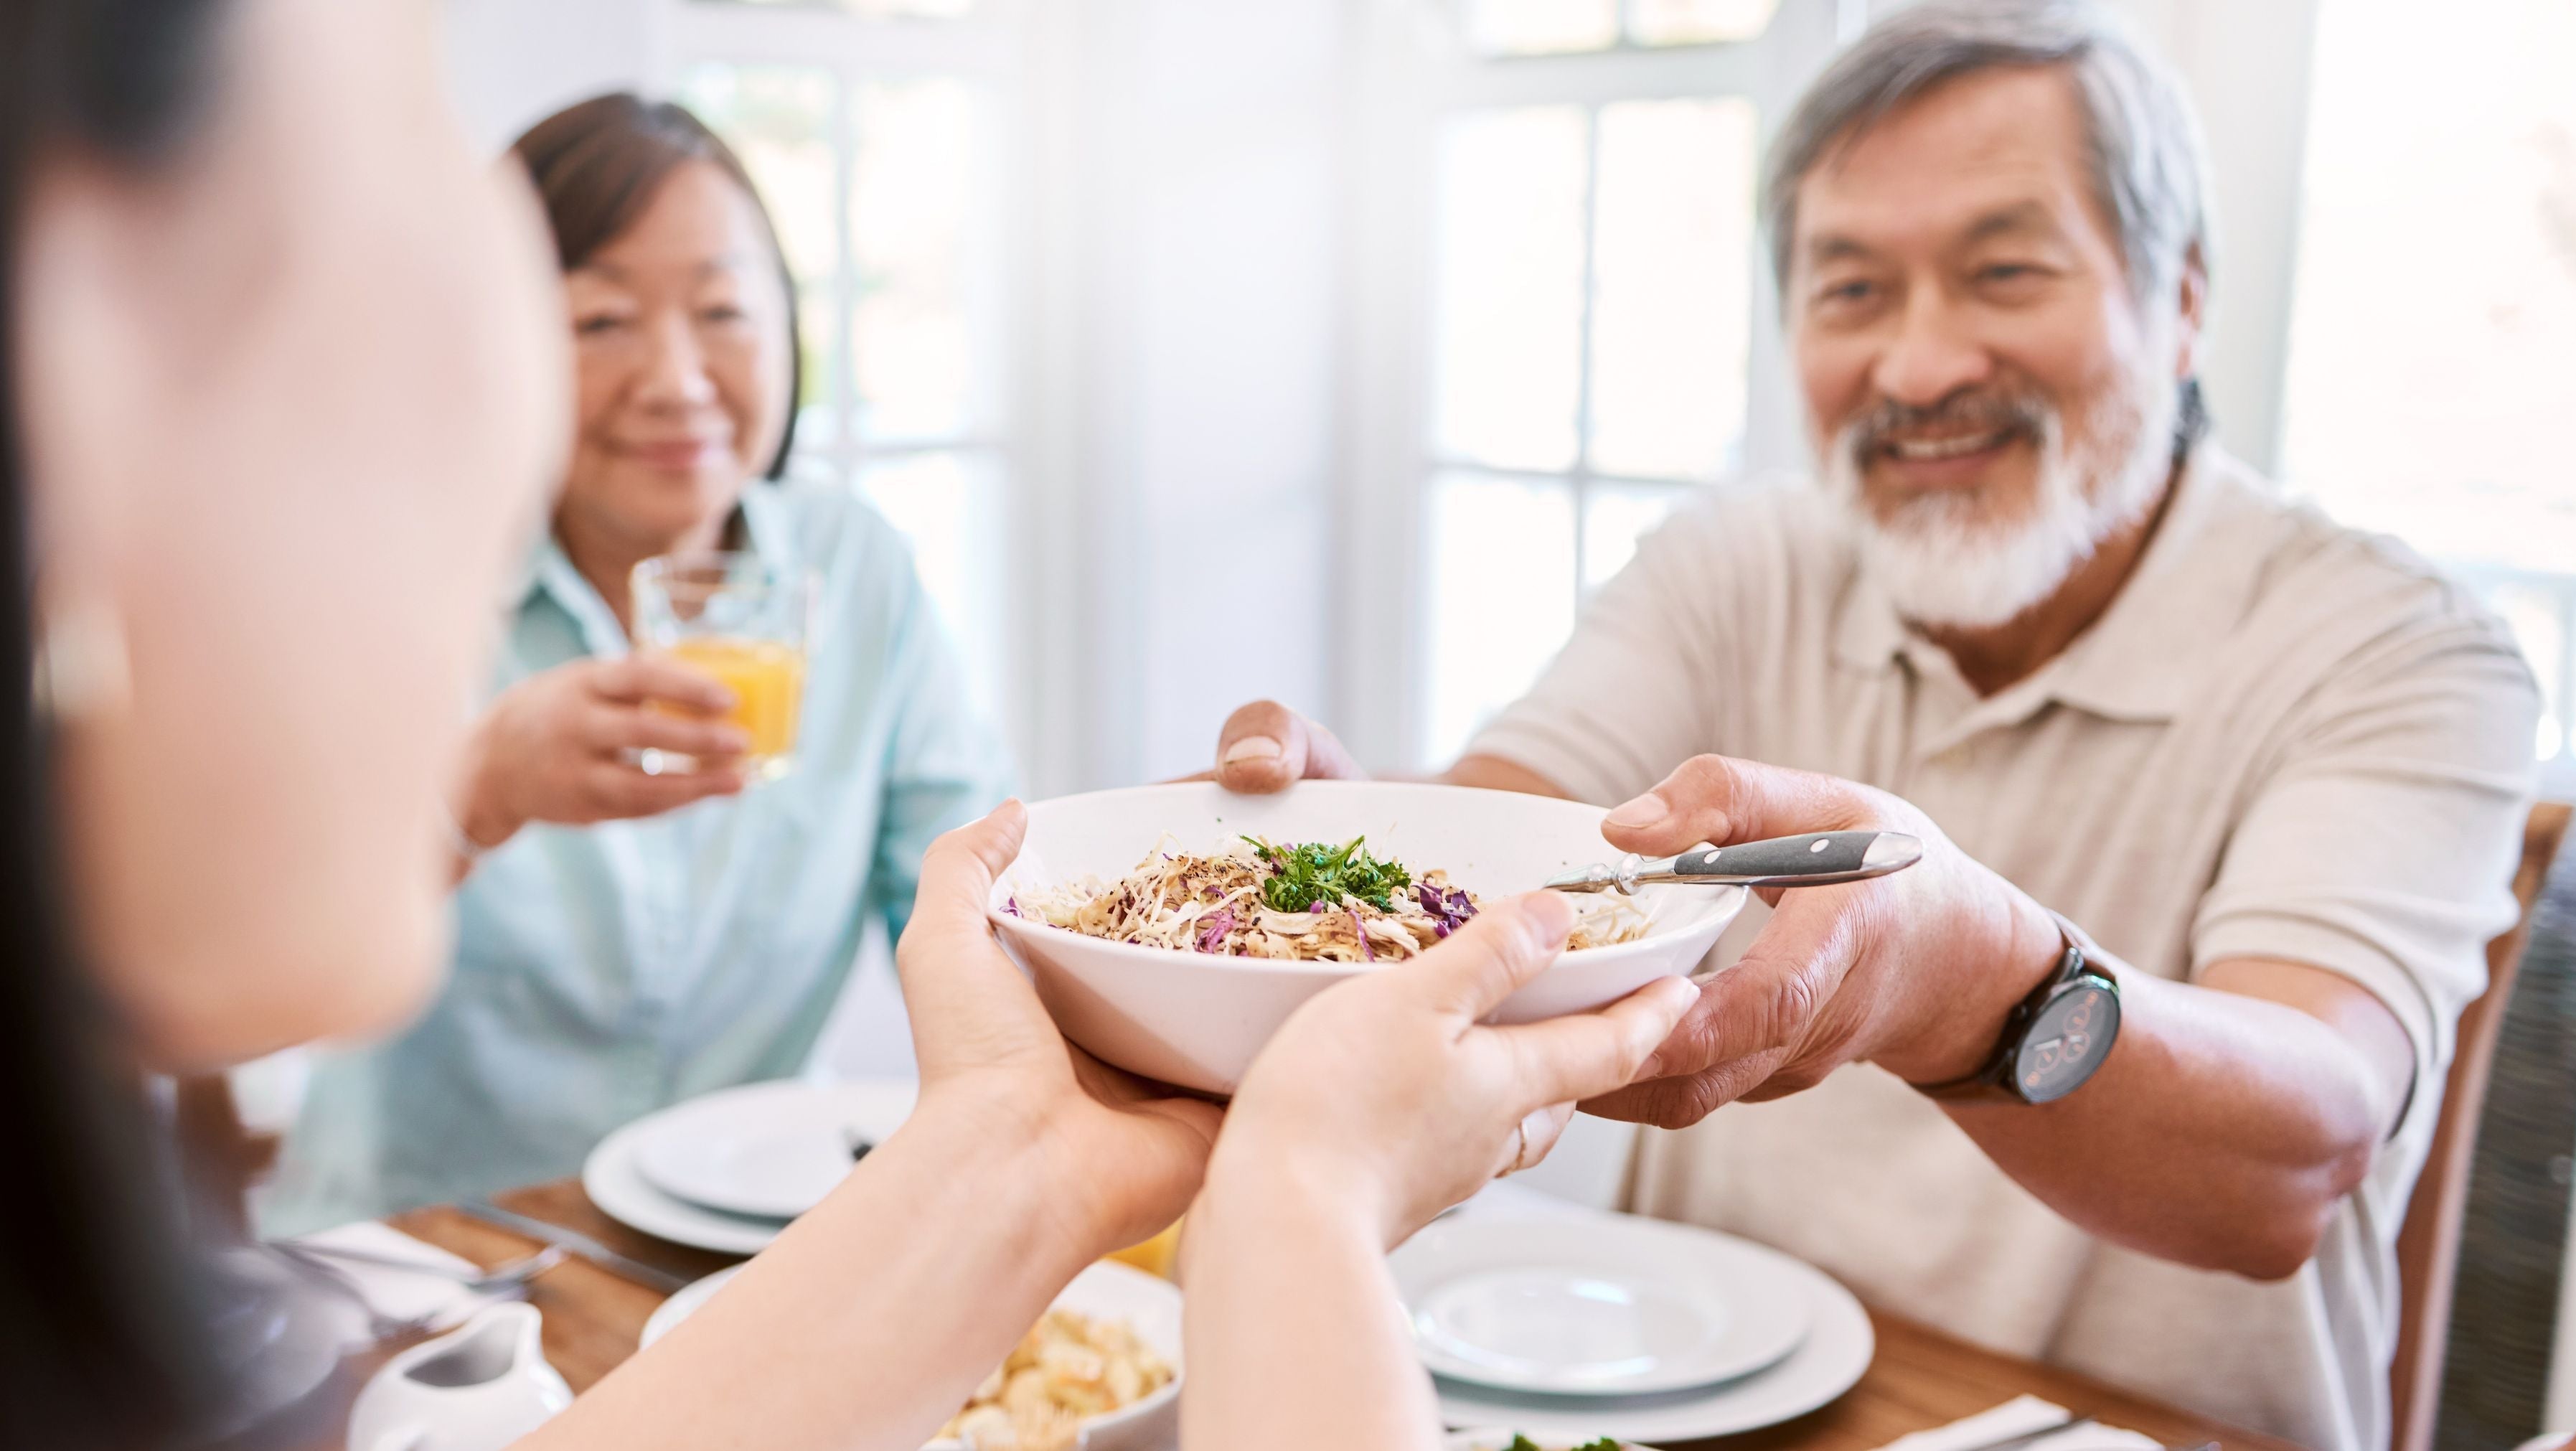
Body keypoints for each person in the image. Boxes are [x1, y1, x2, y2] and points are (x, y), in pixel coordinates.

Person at [4, 2, 1692, 1447]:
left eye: (724, 308)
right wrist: (1300, 1204)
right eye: (569, 307)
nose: (640, 375)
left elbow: (983, 876)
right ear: (72, 349)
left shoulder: (849, 575)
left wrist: (1163, 950)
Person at [1208, 3, 2539, 1447]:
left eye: (2003, 271)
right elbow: (1510, 835)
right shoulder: (1733, 566)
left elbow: (2295, 1161)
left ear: (2186, 297)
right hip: (1697, 1414)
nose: (1915, 370)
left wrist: (1972, 988)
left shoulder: (2398, 646)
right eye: (1850, 292)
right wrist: (1364, 869)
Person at [263, 93, 1017, 1231]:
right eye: (601, 321)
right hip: (429, 1248)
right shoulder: (392, 578)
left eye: (722, 310)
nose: (676, 379)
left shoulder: (852, 571)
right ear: (495, 344)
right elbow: (261, 966)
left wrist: (1199, 881)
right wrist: (478, 791)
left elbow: (981, 899)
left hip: (753, 1236)